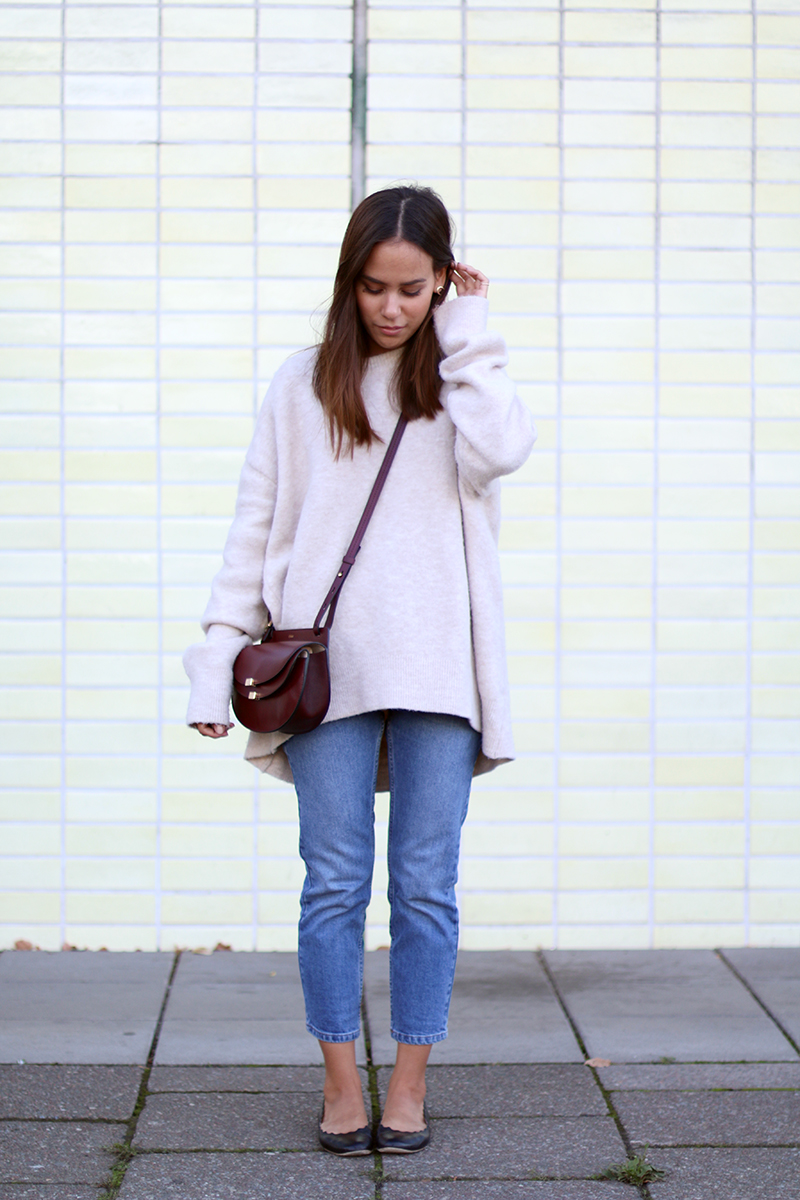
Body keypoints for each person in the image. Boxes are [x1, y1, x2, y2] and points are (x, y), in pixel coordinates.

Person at [184, 184, 536, 1156]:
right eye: (374, 289)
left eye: (413, 290)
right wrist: (216, 657)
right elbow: (253, 529)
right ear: (349, 285)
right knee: (331, 882)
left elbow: (505, 449)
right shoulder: (301, 386)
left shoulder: (458, 381)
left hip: (439, 675)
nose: (391, 309)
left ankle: (409, 1086)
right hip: (324, 672)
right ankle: (342, 1084)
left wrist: (468, 329)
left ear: (440, 284)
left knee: (425, 884)